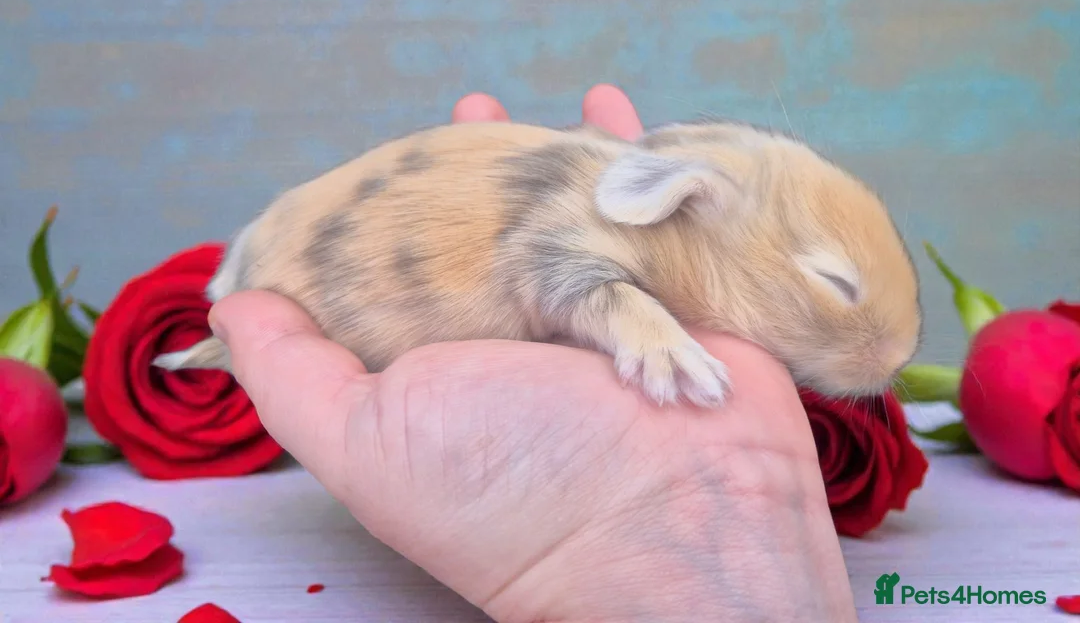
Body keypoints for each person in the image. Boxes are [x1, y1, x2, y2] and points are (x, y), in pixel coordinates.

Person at [209, 85, 859, 622]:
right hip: (324, 265)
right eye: (834, 282)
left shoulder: (661, 233)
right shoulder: (619, 224)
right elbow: (557, 270)